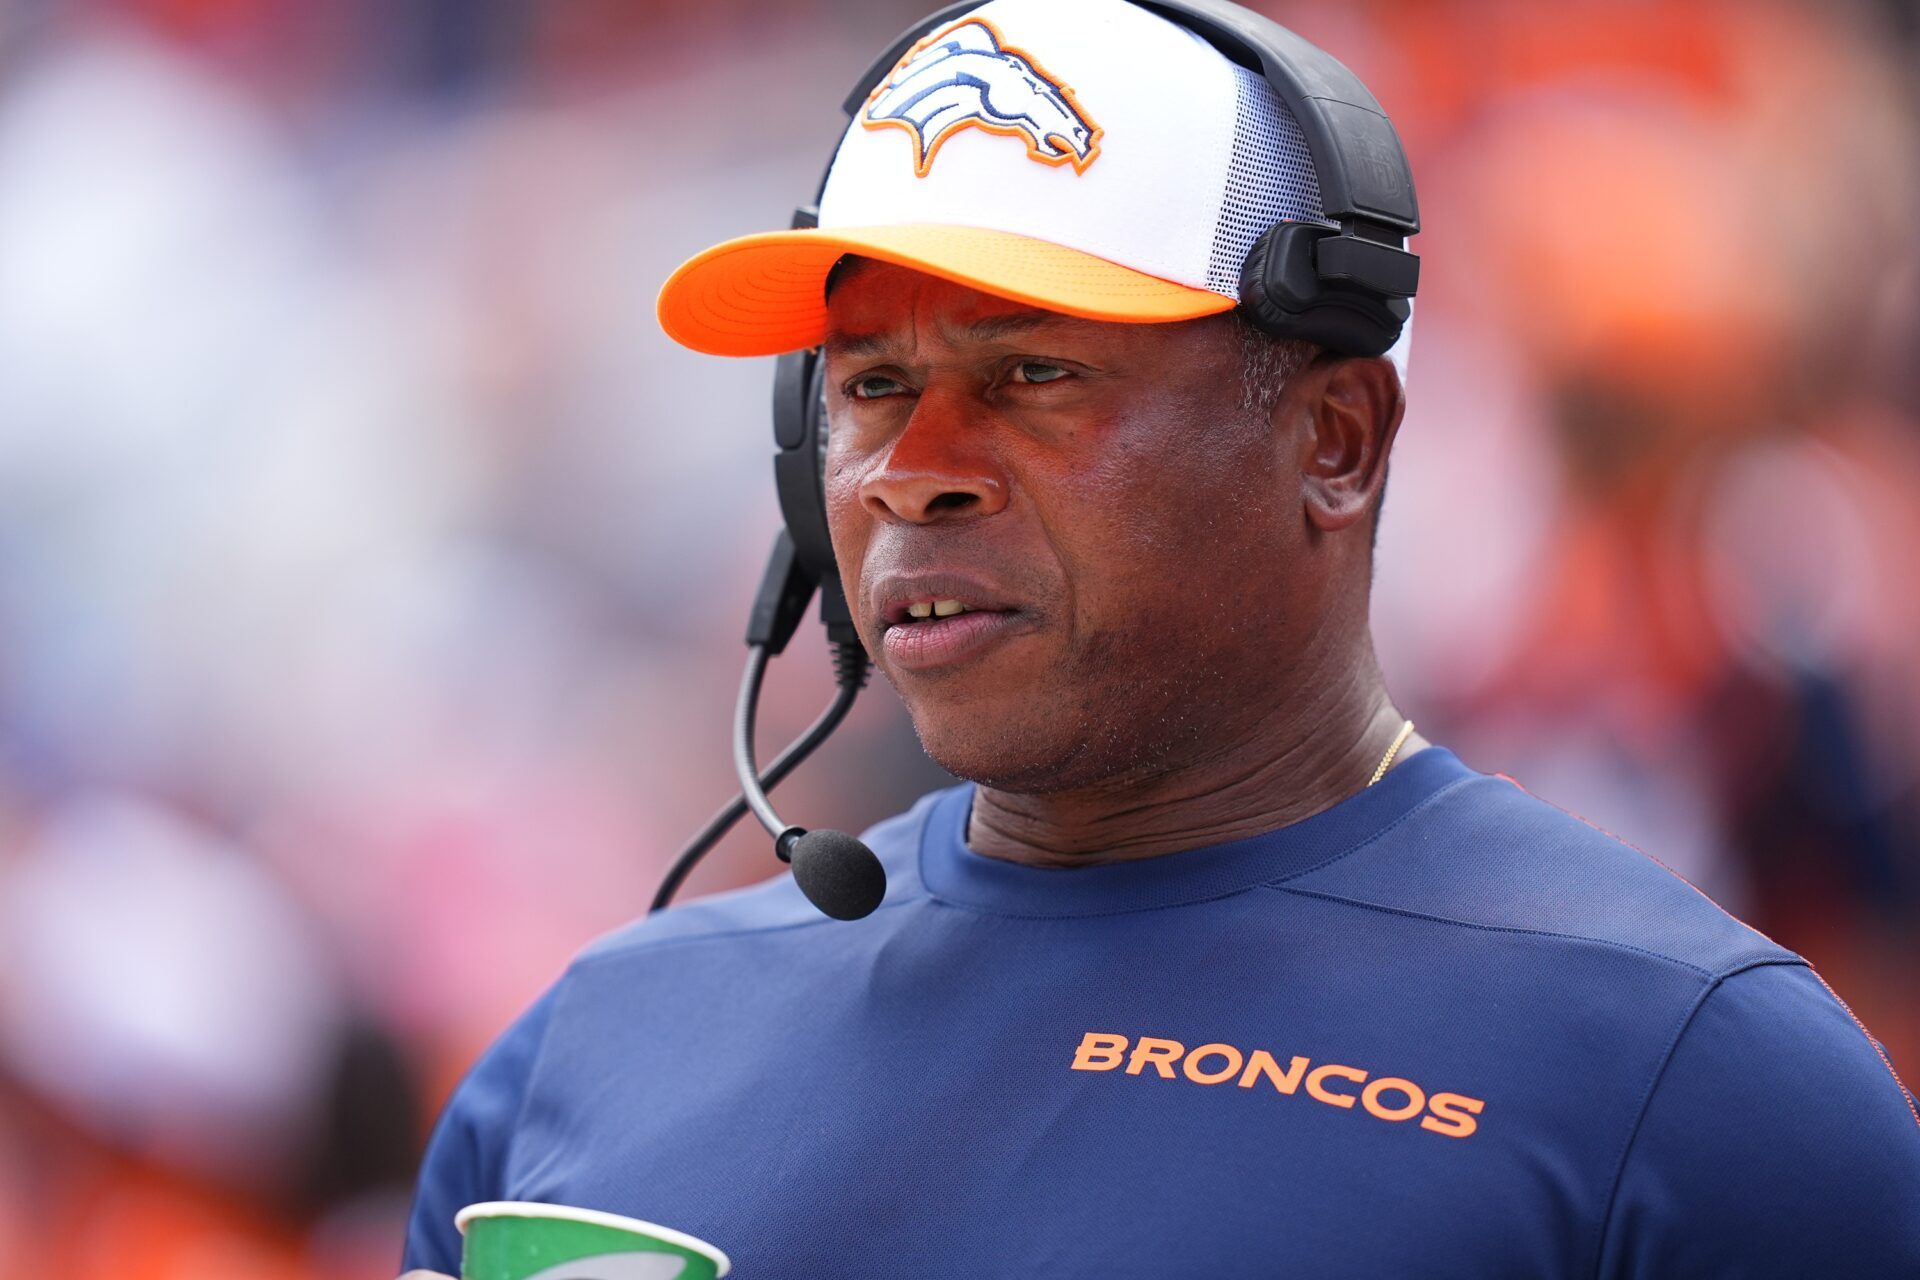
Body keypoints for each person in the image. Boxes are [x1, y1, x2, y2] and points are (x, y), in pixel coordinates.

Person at [401, 0, 1920, 1275]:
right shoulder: (586, 1057)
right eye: (867, 385)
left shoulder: (1692, 1081)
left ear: (1334, 439)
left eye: (1037, 372)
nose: (911, 464)